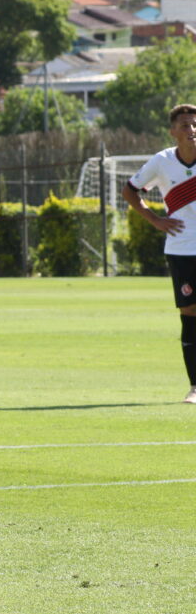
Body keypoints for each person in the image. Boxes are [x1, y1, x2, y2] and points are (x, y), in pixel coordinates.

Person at [123, 103, 196, 405]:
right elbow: (130, 190)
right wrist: (155, 220)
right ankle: (195, 388)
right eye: (184, 125)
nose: (191, 130)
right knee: (190, 315)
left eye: (194, 124)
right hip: (181, 249)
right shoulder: (162, 161)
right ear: (172, 131)